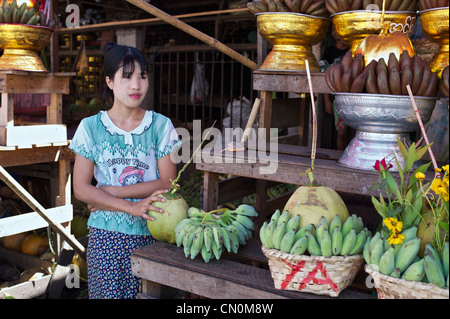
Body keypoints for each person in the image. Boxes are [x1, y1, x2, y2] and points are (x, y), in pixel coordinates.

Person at [69, 42, 181, 299]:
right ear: (109, 81)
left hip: (154, 232)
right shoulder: (90, 128)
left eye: (142, 76)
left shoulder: (161, 126)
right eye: (127, 76)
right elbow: (81, 189)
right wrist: (131, 206)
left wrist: (112, 192)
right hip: (106, 238)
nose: (136, 85)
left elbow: (169, 181)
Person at [323, 28, 350, 151]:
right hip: (336, 99)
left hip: (352, 97)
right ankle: (340, 155)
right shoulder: (329, 52)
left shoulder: (351, 51)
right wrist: (327, 101)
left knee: (354, 132)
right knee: (341, 132)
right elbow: (324, 77)